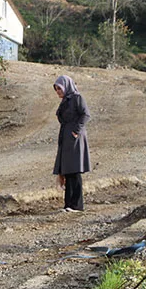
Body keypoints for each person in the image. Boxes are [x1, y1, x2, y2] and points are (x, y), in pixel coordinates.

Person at [52, 75, 91, 212]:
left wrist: (76, 131)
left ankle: (77, 205)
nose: (58, 91)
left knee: (74, 170)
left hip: (74, 137)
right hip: (66, 137)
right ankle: (69, 204)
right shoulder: (65, 101)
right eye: (56, 89)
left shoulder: (77, 98)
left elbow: (85, 115)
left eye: (60, 88)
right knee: (68, 170)